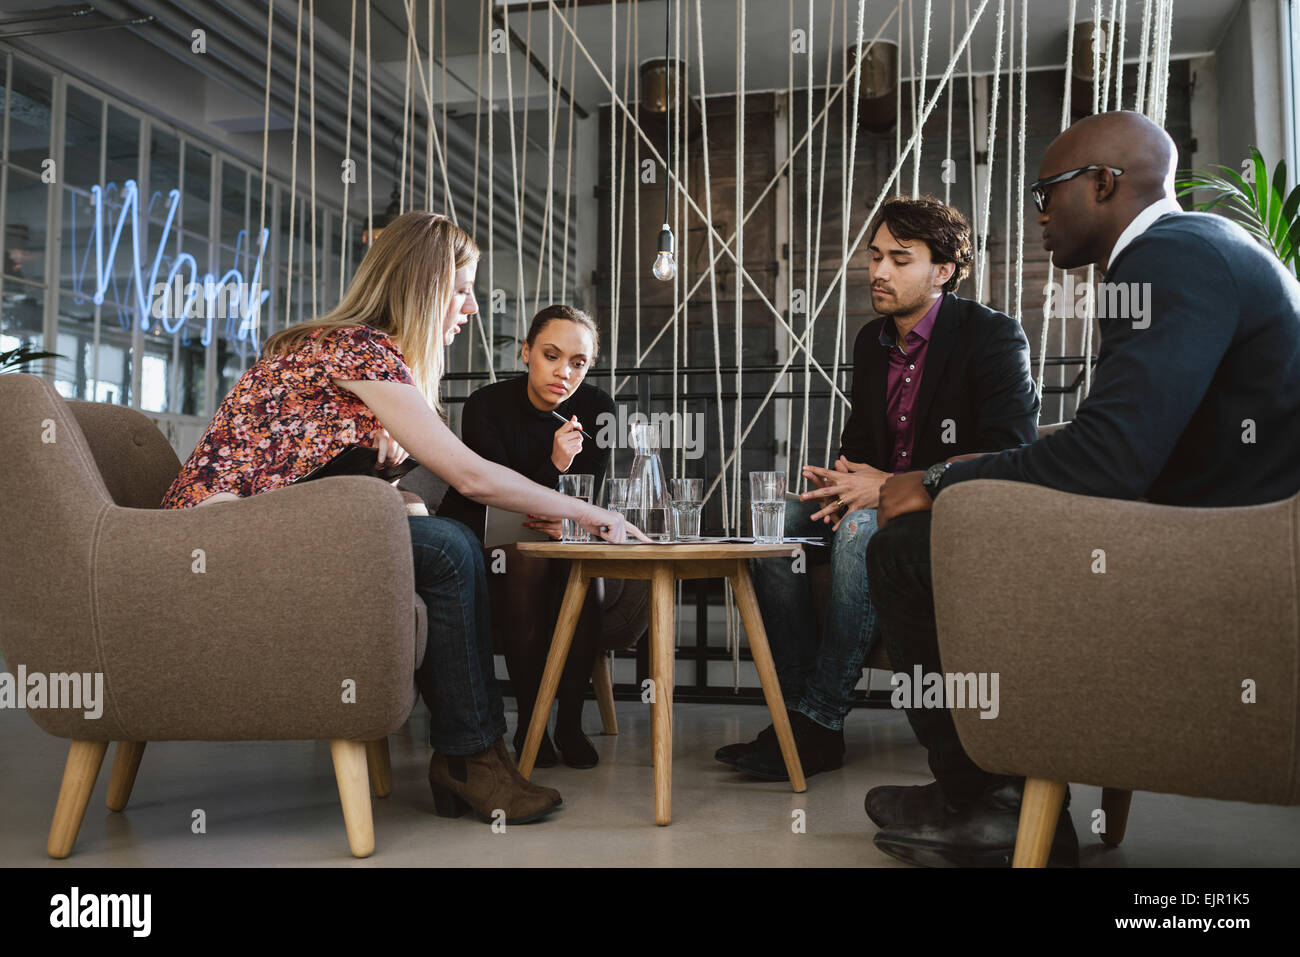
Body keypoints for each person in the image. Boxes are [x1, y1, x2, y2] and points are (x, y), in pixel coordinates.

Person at [865, 110, 1300, 867]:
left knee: (908, 548)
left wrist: (936, 480)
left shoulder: (1169, 260)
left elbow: (1108, 462)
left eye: (1045, 194)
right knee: (947, 521)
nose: (1037, 216)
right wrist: (957, 477)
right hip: (1219, 532)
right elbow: (1128, 439)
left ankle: (993, 801)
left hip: (1216, 563)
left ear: (1102, 183)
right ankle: (980, 792)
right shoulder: (1199, 246)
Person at [161, 211, 646, 827]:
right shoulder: (357, 349)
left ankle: (473, 755)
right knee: (448, 547)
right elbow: (469, 475)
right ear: (422, 287)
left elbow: (344, 482)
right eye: (461, 289)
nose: (470, 307)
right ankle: (472, 756)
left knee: (440, 540)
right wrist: (592, 513)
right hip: (219, 542)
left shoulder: (365, 355)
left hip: (264, 529)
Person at [717, 196, 1040, 781]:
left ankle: (823, 719)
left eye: (900, 258)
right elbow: (861, 446)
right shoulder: (872, 342)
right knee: (775, 520)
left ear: (943, 271)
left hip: (947, 510)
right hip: (874, 498)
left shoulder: (992, 337)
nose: (880, 272)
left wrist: (885, 487)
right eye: (875, 257)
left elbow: (1009, 452)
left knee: (866, 525)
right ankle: (793, 710)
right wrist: (840, 481)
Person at [438, 304, 615, 769]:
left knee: (585, 567)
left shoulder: (597, 410)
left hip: (560, 535)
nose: (564, 372)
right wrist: (554, 467)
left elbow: (590, 497)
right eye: (551, 355)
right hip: (485, 536)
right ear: (526, 353)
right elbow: (497, 496)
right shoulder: (485, 406)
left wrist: (571, 519)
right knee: (523, 559)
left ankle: (570, 724)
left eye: (578, 363)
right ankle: (531, 724)